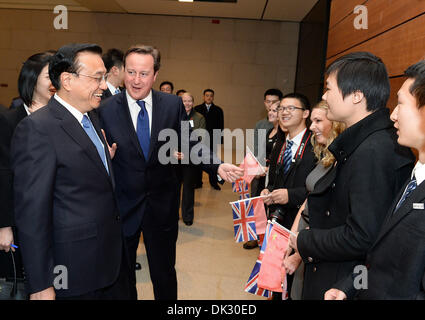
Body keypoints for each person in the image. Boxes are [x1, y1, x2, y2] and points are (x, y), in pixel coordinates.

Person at [98, 44, 243, 300]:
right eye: (131, 72)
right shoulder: (105, 108)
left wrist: (216, 165)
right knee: (122, 276)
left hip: (161, 205)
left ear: (155, 75)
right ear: (122, 73)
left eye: (144, 73)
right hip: (122, 207)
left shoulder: (171, 104)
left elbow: (188, 142)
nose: (136, 80)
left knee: (164, 273)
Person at [290, 51, 415, 300]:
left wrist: (304, 240)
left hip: (340, 279)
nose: (325, 97)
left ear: (356, 95)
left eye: (329, 89)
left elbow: (363, 235)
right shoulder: (366, 141)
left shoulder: (374, 150)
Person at [11, 43, 130, 300]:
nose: (103, 85)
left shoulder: (92, 118)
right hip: (70, 271)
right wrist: (41, 283)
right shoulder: (38, 129)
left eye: (104, 77)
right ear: (67, 80)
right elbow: (32, 215)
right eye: (97, 78)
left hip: (106, 262)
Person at [325, 60, 425, 300]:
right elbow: (381, 257)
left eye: (401, 105)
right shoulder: (415, 176)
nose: (393, 115)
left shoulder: (377, 153)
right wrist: (350, 286)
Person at [283, 100, 345, 299]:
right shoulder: (326, 156)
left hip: (313, 245)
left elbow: (324, 217)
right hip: (302, 241)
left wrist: (299, 254)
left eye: (318, 121)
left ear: (335, 124)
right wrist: (291, 237)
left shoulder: (342, 163)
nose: (312, 127)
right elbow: (308, 202)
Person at [260, 92, 317, 298]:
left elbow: (318, 189)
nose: (284, 112)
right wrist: (268, 190)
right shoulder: (280, 143)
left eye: (291, 108)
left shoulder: (315, 146)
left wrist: (290, 196)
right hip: (277, 220)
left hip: (301, 223)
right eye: (281, 108)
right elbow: (275, 180)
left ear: (306, 114)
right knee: (274, 276)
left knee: (292, 281)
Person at [0, 51, 55, 254]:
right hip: (19, 218)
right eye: (50, 76)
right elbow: (4, 174)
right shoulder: (10, 121)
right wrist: (4, 225)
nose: (55, 82)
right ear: (32, 79)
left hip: (53, 218)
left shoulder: (62, 120)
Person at [244, 94, 282, 250]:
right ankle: (256, 237)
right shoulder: (269, 131)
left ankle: (267, 241)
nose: (271, 112)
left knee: (268, 209)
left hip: (270, 176)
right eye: (270, 109)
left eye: (275, 109)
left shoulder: (283, 134)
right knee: (257, 206)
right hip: (261, 174)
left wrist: (266, 169)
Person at [178, 92, 206, 226]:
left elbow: (200, 137)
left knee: (188, 188)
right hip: (175, 158)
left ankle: (188, 216)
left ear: (193, 103)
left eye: (189, 101)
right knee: (174, 187)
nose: (187, 103)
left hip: (190, 158)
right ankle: (173, 214)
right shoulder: (175, 115)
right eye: (184, 101)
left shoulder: (199, 117)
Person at [194, 89, 224, 190]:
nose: (209, 97)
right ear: (203, 96)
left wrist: (219, 140)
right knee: (198, 161)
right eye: (207, 95)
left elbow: (221, 126)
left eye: (211, 96)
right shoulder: (197, 108)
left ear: (213, 97)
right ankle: (198, 182)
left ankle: (213, 182)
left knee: (213, 161)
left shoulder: (218, 110)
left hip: (213, 140)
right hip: (200, 139)